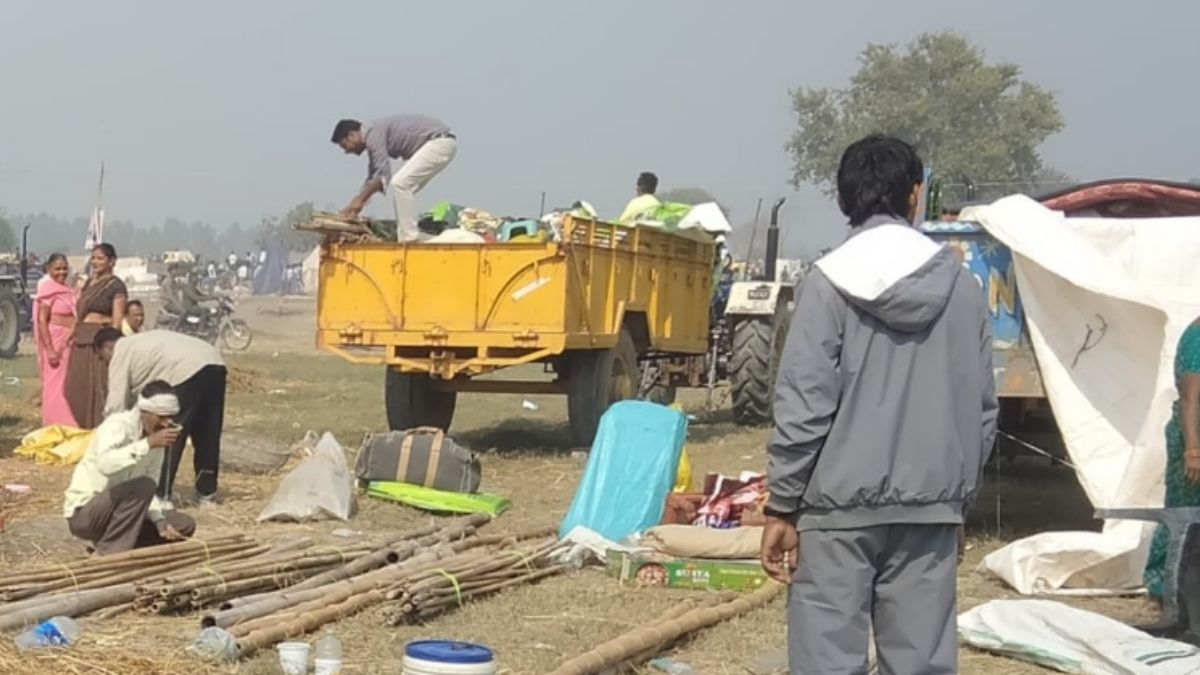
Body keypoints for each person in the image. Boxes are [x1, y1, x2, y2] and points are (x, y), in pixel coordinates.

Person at [760, 135, 998, 675]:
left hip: (835, 512)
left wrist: (782, 503)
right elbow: (981, 409)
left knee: (827, 660)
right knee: (920, 663)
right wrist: (958, 500)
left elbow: (804, 404)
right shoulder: (962, 290)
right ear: (916, 195)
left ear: (846, 200)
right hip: (930, 508)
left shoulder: (828, 284)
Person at [63, 379, 196, 555]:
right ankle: (109, 554)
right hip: (87, 515)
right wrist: (146, 444)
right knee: (142, 486)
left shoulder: (156, 440)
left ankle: (116, 543)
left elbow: (150, 490)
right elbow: (106, 465)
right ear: (144, 412)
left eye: (170, 417)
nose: (166, 424)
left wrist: (158, 520)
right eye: (161, 417)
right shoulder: (117, 425)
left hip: (123, 517)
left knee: (184, 524)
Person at [99, 329, 227, 502]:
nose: (104, 363)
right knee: (207, 431)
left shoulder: (120, 352)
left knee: (169, 433)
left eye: (101, 358)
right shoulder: (140, 343)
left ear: (107, 348)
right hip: (214, 361)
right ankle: (206, 492)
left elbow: (116, 403)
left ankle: (161, 492)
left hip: (185, 370)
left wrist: (109, 435)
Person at [331, 115, 458, 242]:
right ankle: (416, 235)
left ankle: (409, 237)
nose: (347, 151)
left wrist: (359, 201)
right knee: (404, 191)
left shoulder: (373, 134)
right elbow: (372, 178)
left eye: (345, 145)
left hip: (439, 142)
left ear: (352, 135)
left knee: (400, 184)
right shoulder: (373, 135)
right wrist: (355, 203)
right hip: (442, 143)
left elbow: (382, 177)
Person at [1143, 319, 1200, 598]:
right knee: (1184, 516)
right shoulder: (1197, 339)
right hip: (1193, 440)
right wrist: (1192, 450)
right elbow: (1191, 399)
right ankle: (1164, 588)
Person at [65, 243, 128, 429]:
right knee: (74, 388)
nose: (95, 262)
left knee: (99, 387)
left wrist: (109, 345)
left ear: (112, 261)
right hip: (81, 339)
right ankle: (82, 428)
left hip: (99, 341)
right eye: (93, 258)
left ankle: (101, 430)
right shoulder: (88, 284)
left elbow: (116, 321)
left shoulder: (115, 286)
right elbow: (79, 316)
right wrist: (68, 339)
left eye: (100, 258)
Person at [34, 254, 79, 428]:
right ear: (49, 270)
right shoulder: (47, 290)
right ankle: (55, 422)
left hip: (69, 340)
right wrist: (50, 349)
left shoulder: (68, 290)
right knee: (55, 385)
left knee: (68, 383)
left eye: (64, 268)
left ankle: (69, 421)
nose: (62, 272)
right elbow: (41, 321)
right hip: (54, 340)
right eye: (57, 269)